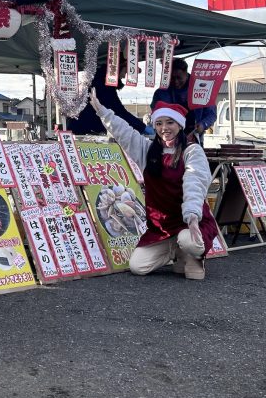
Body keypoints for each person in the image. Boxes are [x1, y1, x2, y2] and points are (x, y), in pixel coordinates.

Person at [90, 89, 217, 280]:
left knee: (189, 241)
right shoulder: (148, 150)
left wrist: (191, 214)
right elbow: (125, 133)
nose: (164, 128)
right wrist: (102, 112)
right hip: (161, 227)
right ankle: (175, 251)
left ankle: (193, 256)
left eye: (170, 122)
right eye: (159, 123)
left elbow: (195, 182)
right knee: (137, 266)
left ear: (180, 125)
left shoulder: (192, 151)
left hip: (190, 222)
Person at [68, 51, 148, 136]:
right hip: (83, 131)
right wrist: (142, 128)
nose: (124, 76)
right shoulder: (103, 83)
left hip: (80, 128)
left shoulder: (98, 78)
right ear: (119, 68)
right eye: (125, 71)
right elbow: (118, 111)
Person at [151, 57, 217, 143]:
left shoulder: (202, 88)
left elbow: (212, 114)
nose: (176, 81)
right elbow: (155, 115)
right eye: (172, 78)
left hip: (194, 137)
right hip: (168, 139)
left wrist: (203, 124)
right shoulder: (161, 92)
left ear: (186, 73)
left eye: (179, 78)